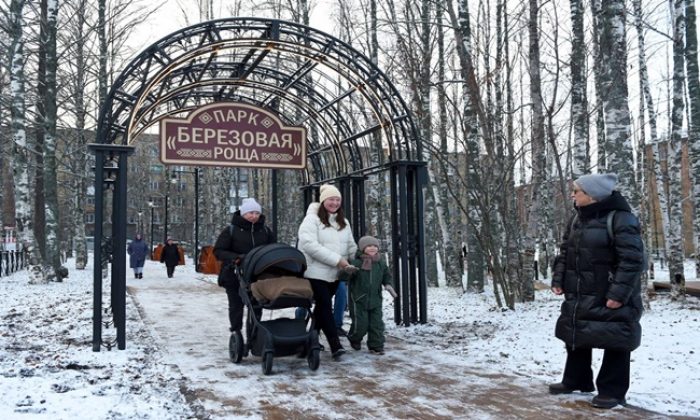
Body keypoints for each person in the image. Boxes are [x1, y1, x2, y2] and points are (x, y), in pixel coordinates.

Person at [550, 173, 645, 409]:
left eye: (577, 191)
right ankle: (577, 380)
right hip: (580, 291)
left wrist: (617, 295)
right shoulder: (576, 219)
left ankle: (613, 392)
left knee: (615, 339)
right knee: (576, 334)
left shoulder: (622, 220)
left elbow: (632, 261)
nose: (572, 195)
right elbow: (565, 252)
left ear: (592, 195)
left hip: (610, 293)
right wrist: (558, 278)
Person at [297, 184, 357, 360]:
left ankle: (308, 343)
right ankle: (335, 345)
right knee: (325, 306)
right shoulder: (311, 220)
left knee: (321, 310)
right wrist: (337, 260)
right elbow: (309, 245)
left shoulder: (343, 222)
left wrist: (362, 257)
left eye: (338, 200)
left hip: (335, 274)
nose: (335, 203)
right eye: (331, 199)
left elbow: (350, 245)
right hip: (313, 272)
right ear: (323, 201)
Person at [214, 197, 275, 334]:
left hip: (257, 275)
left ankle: (254, 333)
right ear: (243, 214)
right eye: (250, 213)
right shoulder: (231, 230)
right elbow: (218, 251)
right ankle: (236, 331)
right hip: (234, 274)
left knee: (257, 305)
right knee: (236, 306)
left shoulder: (265, 231)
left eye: (257, 213)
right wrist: (235, 258)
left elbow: (272, 248)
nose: (254, 216)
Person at [343, 235, 395, 355]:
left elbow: (387, 275)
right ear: (362, 248)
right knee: (361, 324)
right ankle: (354, 337)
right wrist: (347, 271)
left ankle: (376, 346)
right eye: (369, 246)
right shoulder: (357, 262)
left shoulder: (380, 263)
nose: (372, 248)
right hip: (359, 299)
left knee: (376, 324)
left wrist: (388, 284)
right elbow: (344, 277)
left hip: (376, 299)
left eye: (375, 246)